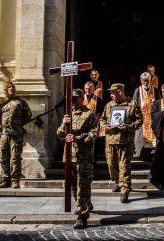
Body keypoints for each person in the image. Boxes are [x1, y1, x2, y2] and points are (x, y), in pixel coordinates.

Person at [57, 89, 98, 229]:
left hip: (84, 157)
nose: (72, 102)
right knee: (74, 186)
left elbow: (94, 133)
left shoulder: (90, 114)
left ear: (81, 99)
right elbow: (60, 134)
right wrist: (64, 123)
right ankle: (84, 205)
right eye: (70, 100)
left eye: (75, 99)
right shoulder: (69, 115)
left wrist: (77, 138)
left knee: (83, 186)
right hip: (69, 156)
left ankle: (82, 216)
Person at [100, 83, 143, 203]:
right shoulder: (109, 105)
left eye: (113, 93)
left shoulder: (132, 104)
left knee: (124, 167)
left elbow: (140, 120)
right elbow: (102, 119)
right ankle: (119, 183)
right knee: (112, 165)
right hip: (110, 140)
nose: (111, 95)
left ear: (120, 92)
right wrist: (105, 126)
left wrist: (129, 126)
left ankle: (125, 190)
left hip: (125, 141)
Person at [0, 82, 32, 189]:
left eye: (13, 87)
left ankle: (15, 180)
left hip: (16, 134)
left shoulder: (20, 102)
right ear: (5, 90)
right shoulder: (1, 103)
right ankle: (5, 179)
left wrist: (19, 125)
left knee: (15, 158)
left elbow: (28, 116)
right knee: (3, 158)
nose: (11, 89)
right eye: (9, 87)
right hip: (4, 135)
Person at [133, 72, 161, 159]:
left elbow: (159, 102)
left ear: (150, 80)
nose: (146, 83)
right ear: (141, 81)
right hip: (142, 117)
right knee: (141, 137)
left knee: (154, 136)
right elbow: (134, 104)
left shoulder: (155, 90)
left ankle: (153, 154)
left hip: (153, 117)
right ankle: (142, 154)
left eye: (147, 81)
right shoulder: (138, 90)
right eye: (144, 81)